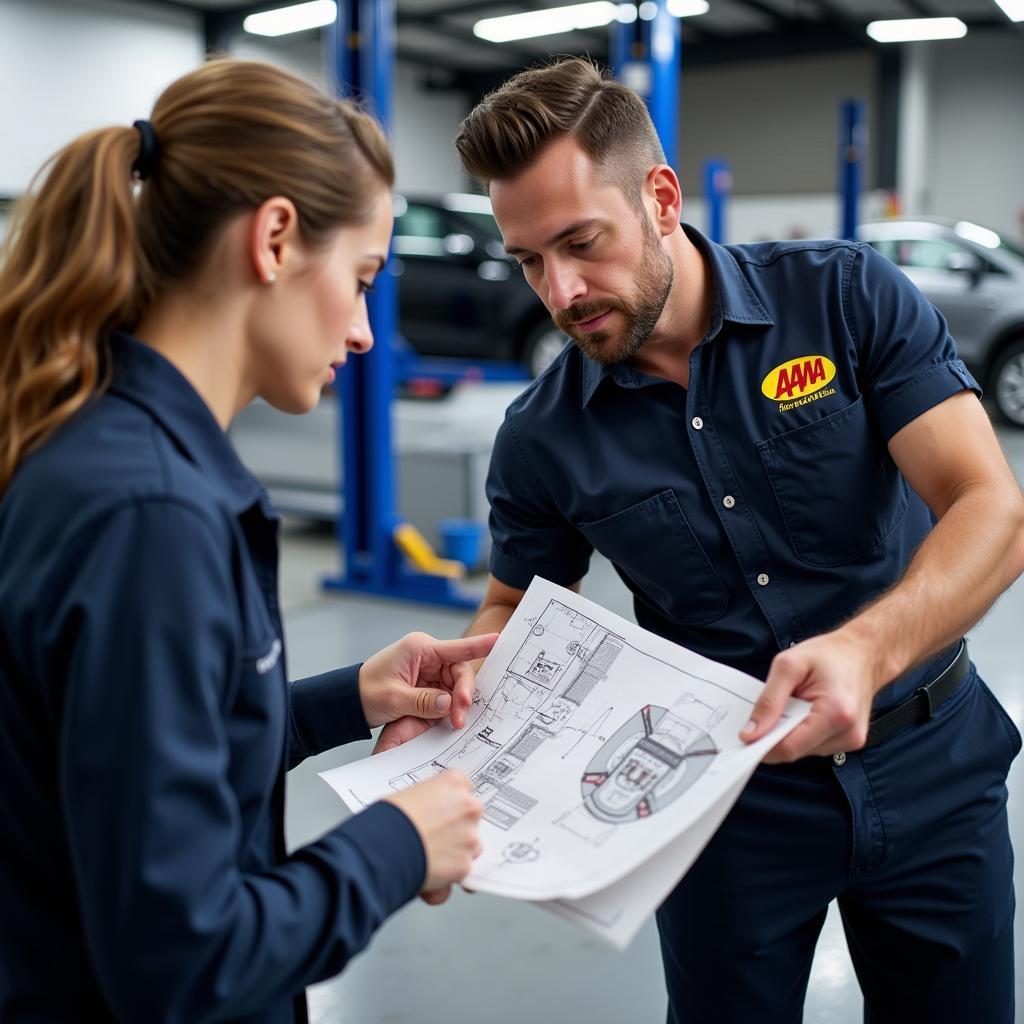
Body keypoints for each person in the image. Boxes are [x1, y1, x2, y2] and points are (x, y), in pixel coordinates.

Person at [438, 57, 1023, 1022]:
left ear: (661, 198)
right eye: (530, 261)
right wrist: (482, 698)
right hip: (719, 807)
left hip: (930, 764)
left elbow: (989, 507)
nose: (561, 290)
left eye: (582, 242)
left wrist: (864, 651)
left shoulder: (843, 300)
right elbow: (513, 607)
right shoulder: (543, 435)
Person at [0, 59, 496, 1023]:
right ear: (273, 239)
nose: (362, 332)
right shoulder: (152, 518)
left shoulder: (97, 446)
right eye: (359, 279)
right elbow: (182, 958)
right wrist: (398, 842)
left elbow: (142, 752)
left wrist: (347, 699)